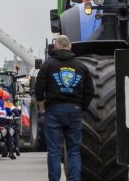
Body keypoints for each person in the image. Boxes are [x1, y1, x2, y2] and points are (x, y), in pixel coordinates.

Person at [35, 35, 94, 181]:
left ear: (55, 46)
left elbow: (39, 89)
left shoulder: (47, 65)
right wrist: (81, 107)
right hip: (75, 111)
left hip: (53, 110)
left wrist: (42, 107)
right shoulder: (81, 66)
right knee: (74, 151)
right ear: (70, 46)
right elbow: (90, 91)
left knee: (54, 151)